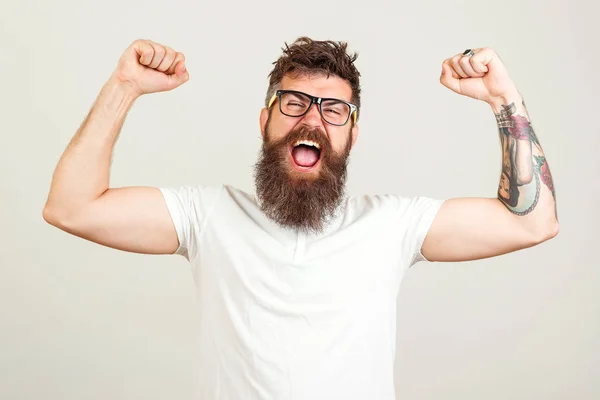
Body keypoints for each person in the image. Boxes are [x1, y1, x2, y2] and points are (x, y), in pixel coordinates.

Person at [42, 38, 559, 399]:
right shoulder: (207, 215)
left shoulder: (392, 226)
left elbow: (530, 222)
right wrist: (125, 85)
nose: (312, 118)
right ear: (265, 120)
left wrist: (501, 97)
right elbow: (71, 207)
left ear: (352, 135)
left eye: (334, 110)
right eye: (295, 103)